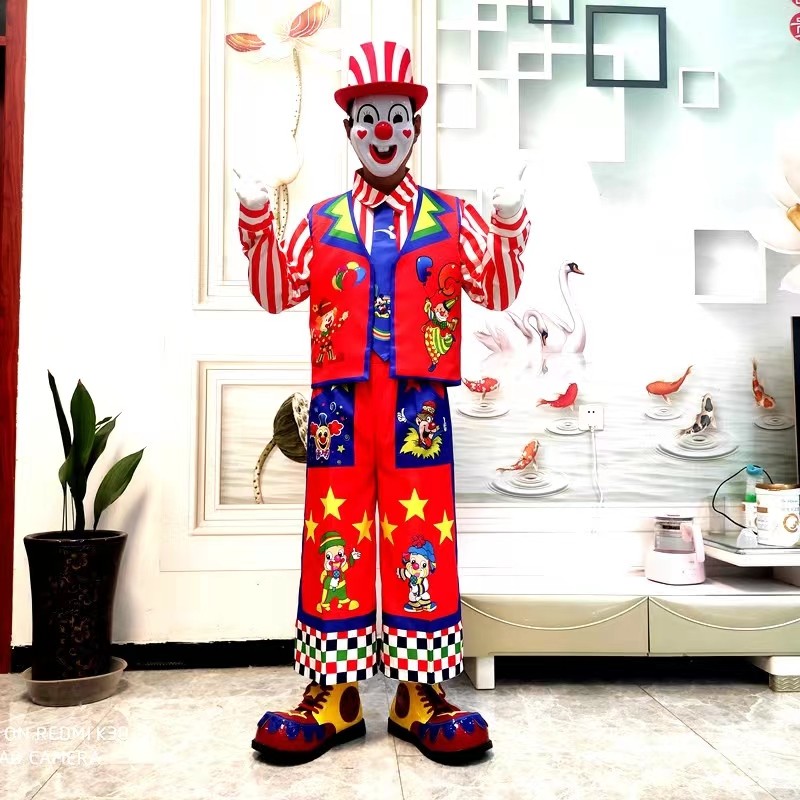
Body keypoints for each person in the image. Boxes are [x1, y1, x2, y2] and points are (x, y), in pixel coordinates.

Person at [236, 40, 530, 766]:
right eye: (368, 118)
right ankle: (333, 695)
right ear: (349, 130)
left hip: (417, 408)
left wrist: (507, 220)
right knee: (332, 535)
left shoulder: (452, 218)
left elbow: (496, 291)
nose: (383, 131)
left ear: (416, 127)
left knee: (421, 531)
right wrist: (255, 217)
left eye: (396, 116)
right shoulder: (320, 221)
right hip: (339, 409)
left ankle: (417, 694)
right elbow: (275, 293)